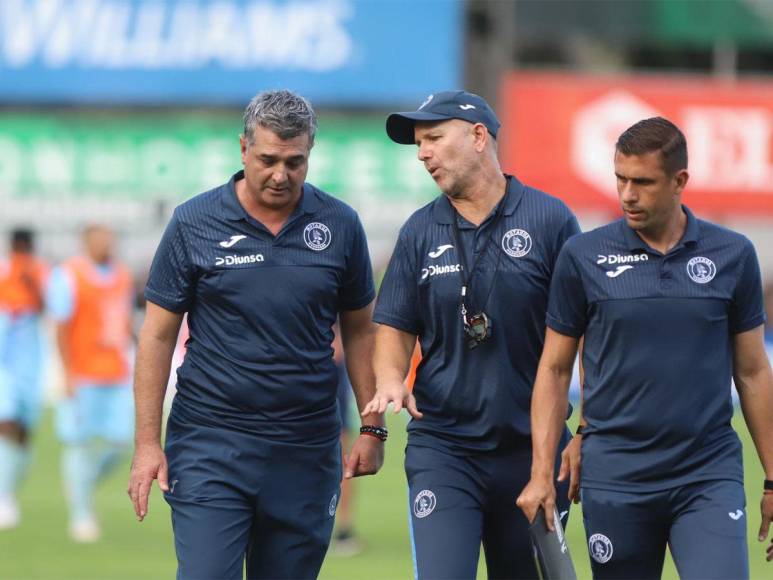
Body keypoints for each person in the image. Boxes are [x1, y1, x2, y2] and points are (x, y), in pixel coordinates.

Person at [127, 89, 384, 580]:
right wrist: (146, 443)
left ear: (310, 153)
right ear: (243, 148)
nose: (280, 174)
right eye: (268, 159)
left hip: (306, 449)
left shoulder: (340, 224)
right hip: (210, 443)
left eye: (295, 161)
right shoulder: (193, 222)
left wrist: (372, 427)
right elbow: (158, 336)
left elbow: (361, 330)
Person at [517, 117, 773, 577]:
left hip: (706, 472)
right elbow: (555, 369)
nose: (628, 194)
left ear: (680, 182)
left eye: (643, 182)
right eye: (620, 179)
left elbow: (753, 371)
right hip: (615, 477)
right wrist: (542, 472)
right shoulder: (582, 255)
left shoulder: (732, 255)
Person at [362, 90, 581, 578]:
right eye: (419, 144)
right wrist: (391, 378)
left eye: (434, 138)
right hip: (444, 447)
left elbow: (585, 334)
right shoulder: (419, 230)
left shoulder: (551, 220)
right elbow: (394, 327)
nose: (423, 153)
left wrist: (588, 429)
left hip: (533, 451)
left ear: (479, 136)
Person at [48, 225, 135, 542]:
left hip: (116, 372)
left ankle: (81, 485)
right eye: (101, 239)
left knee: (121, 442)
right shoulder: (69, 275)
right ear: (86, 242)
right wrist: (67, 371)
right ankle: (81, 513)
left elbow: (125, 322)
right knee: (79, 443)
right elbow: (60, 325)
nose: (107, 244)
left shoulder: (122, 275)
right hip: (83, 374)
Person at [0, 228, 47, 529]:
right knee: (6, 423)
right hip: (5, 361)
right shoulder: (4, 270)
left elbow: (49, 307)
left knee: (24, 432)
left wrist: (33, 284)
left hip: (30, 361)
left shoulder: (40, 272)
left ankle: (10, 491)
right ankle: (3, 497)